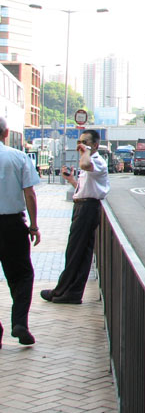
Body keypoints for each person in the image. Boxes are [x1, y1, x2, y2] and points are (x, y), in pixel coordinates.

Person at [41, 129, 109, 305]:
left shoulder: (95, 161)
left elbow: (86, 166)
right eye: (80, 142)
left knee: (75, 251)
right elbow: (85, 187)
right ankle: (70, 291)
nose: (81, 145)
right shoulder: (90, 160)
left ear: (95, 145)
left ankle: (63, 291)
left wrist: (85, 152)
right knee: (80, 251)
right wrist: (71, 180)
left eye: (85, 142)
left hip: (87, 209)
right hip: (83, 206)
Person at [0, 116, 40, 346]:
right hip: (12, 226)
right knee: (22, 275)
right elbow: (29, 194)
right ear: (6, 133)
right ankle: (20, 323)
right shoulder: (18, 157)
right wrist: (33, 226)